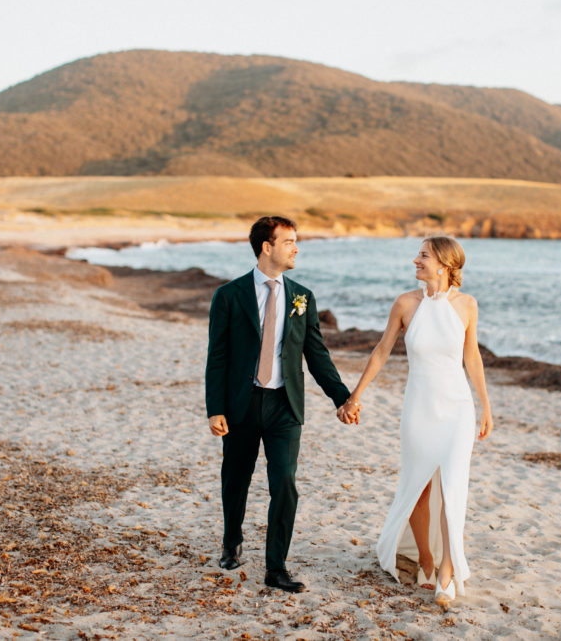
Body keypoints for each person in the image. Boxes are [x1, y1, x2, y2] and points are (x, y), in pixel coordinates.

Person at [205, 215, 359, 593]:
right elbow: (218, 357)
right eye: (289, 241)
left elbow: (316, 355)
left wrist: (343, 397)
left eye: (296, 241)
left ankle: (276, 567)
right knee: (235, 478)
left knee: (285, 484)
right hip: (241, 405)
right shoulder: (229, 295)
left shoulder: (302, 297)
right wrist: (215, 408)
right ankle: (232, 540)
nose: (296, 247)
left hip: (285, 407)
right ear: (267, 247)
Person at [339, 236, 493, 609]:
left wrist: (486, 407)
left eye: (423, 256)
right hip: (419, 407)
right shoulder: (406, 304)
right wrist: (355, 395)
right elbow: (382, 351)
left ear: (443, 263)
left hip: (457, 408)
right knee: (419, 486)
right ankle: (425, 557)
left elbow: (472, 358)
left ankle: (445, 570)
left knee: (453, 487)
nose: (415, 261)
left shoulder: (468, 305)